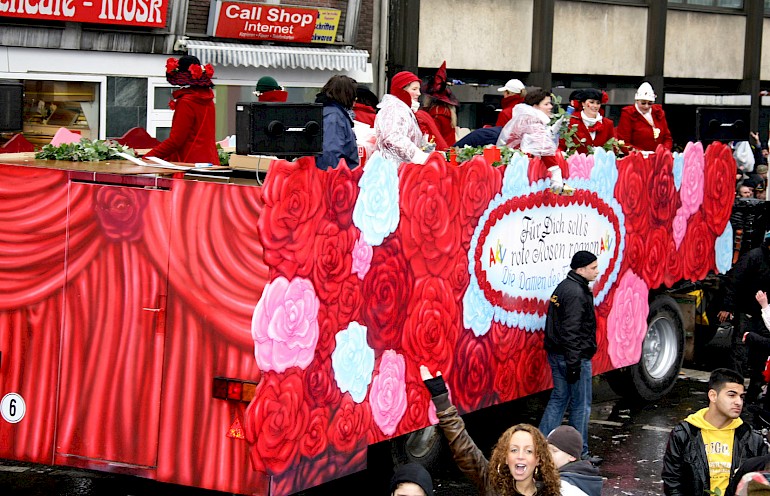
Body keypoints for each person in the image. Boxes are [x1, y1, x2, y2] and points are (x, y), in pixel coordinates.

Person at [420, 365, 561, 496]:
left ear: (538, 460)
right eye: (513, 450)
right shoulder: (493, 485)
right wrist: (441, 398)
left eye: (528, 451)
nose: (520, 456)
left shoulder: (550, 493)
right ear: (505, 458)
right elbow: (464, 449)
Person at [662, 368, 768, 496]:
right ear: (713, 395)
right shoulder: (684, 433)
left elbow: (760, 483)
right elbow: (672, 482)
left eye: (741, 396)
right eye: (731, 395)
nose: (738, 402)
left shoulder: (752, 438)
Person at [538, 250, 599, 459]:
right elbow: (571, 331)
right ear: (580, 269)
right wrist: (574, 364)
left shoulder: (565, 287)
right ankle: (580, 453)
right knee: (581, 406)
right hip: (574, 358)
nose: (597, 272)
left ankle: (539, 447)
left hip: (558, 355)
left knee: (559, 398)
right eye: (593, 268)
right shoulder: (576, 293)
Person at [721, 232, 770, 403]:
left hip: (765, 315)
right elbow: (734, 280)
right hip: (748, 312)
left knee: (761, 355)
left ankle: (753, 393)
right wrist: (728, 306)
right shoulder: (754, 257)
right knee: (740, 353)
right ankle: (735, 392)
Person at [145, 55, 220, 165]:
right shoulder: (208, 100)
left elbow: (176, 141)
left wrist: (149, 157)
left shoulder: (186, 102)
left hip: (189, 164)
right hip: (209, 164)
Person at [497, 87, 566, 192]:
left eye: (550, 104)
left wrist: (551, 132)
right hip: (523, 172)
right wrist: (556, 173)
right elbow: (543, 148)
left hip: (515, 168)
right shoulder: (533, 121)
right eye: (546, 104)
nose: (551, 107)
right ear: (535, 106)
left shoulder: (527, 118)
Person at [374, 71, 430, 164]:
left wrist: (426, 150)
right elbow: (392, 137)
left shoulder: (403, 109)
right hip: (394, 169)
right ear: (402, 89)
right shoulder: (394, 109)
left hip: (402, 168)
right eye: (414, 89)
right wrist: (417, 155)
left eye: (418, 89)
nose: (419, 93)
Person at [315, 75, 359, 171]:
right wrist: (336, 179)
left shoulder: (330, 112)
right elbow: (330, 153)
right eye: (354, 95)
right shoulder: (334, 117)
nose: (355, 99)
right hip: (336, 178)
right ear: (347, 95)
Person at [615, 82, 673, 152]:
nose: (646, 106)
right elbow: (624, 142)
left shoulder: (658, 113)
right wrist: (641, 153)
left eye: (650, 103)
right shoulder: (628, 114)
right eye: (643, 103)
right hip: (637, 159)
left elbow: (667, 138)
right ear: (637, 101)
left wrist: (664, 151)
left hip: (659, 158)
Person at [546, 426, 603, 496]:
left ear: (572, 456)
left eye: (554, 451)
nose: (547, 454)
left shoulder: (565, 487)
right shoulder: (583, 475)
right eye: (546, 449)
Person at [559, 89, 615, 155]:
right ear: (583, 103)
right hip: (576, 163)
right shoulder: (571, 121)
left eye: (598, 103)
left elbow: (612, 148)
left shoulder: (608, 123)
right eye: (591, 102)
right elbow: (561, 147)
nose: (595, 106)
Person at [422, 60, 459, 147]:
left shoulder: (436, 114)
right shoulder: (449, 112)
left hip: (440, 152)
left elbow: (434, 139)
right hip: (449, 151)